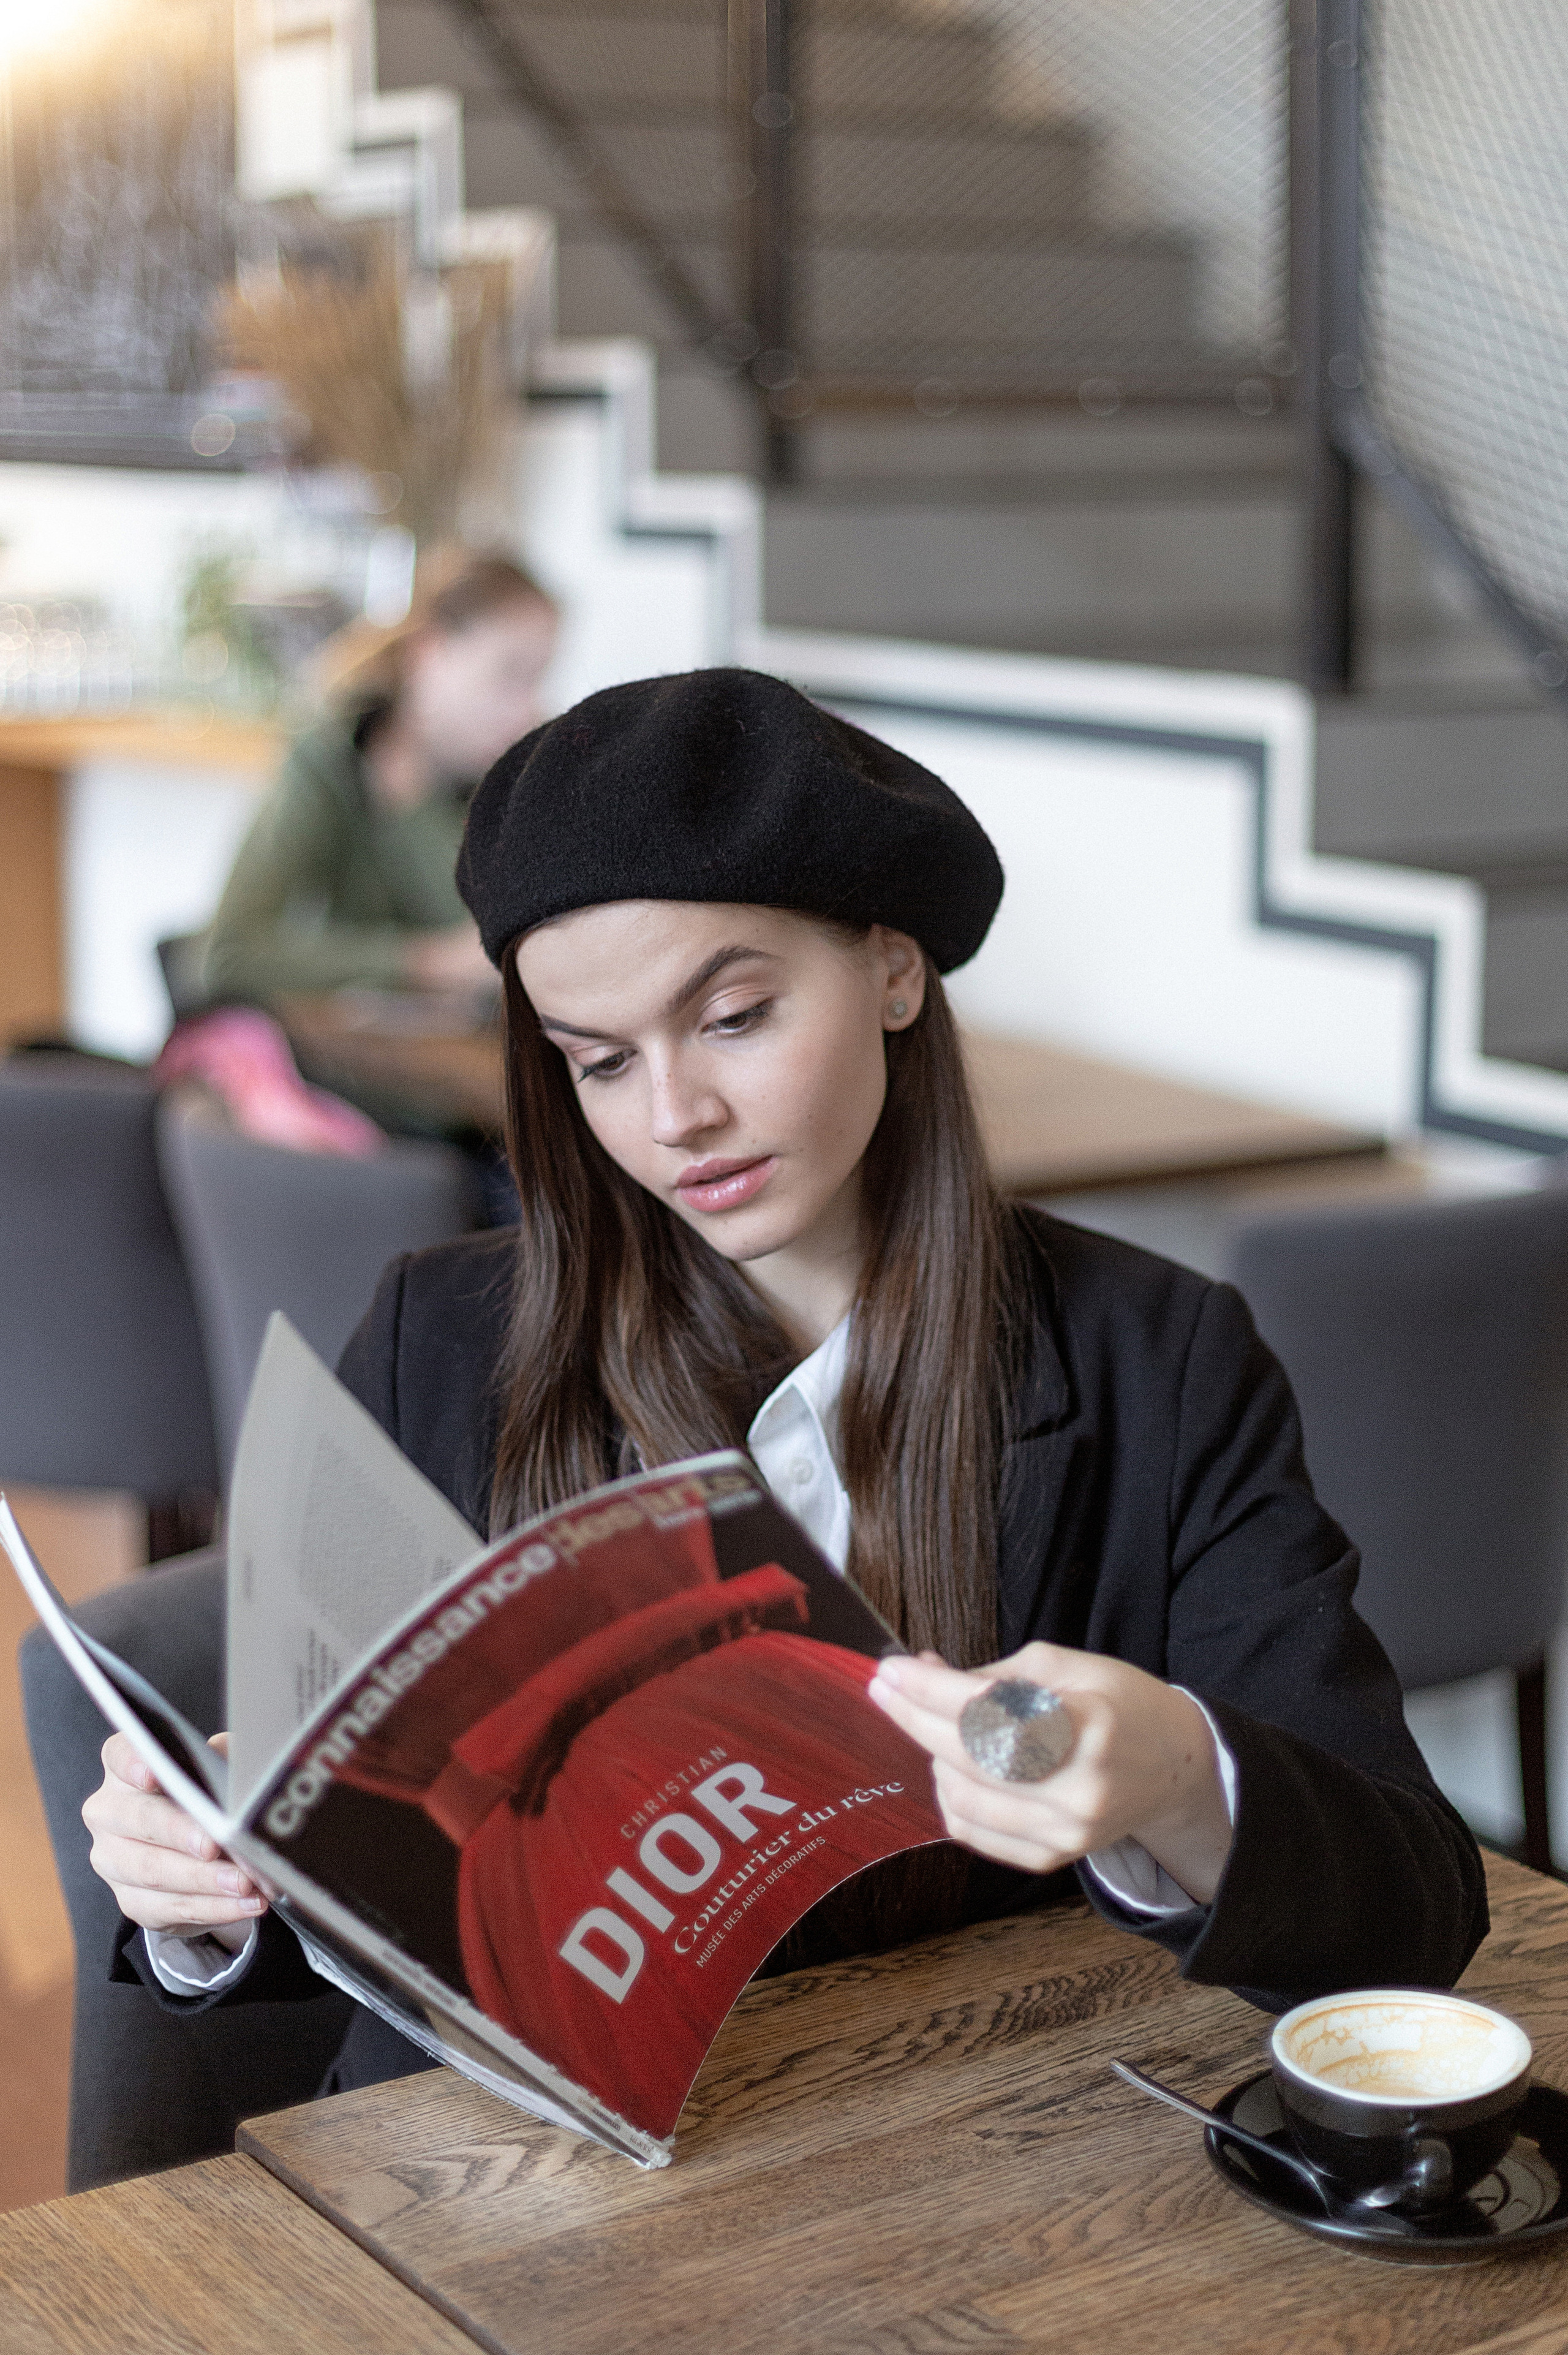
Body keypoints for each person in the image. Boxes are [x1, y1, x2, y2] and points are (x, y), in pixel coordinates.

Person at [42, 666, 1485, 2188]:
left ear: (890, 969)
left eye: (731, 1017)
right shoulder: (442, 1341)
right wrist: (207, 1888)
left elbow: (1411, 1916)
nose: (674, 1116)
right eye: (597, 1061)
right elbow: (354, 1911)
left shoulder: (1155, 1360)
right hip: (518, 2205)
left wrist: (1179, 1780)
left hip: (958, 2179)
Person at [201, 548, 559, 1005]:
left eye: (538, 680)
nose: (530, 709)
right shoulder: (330, 760)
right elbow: (229, 957)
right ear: (429, 656)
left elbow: (499, 950)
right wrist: (425, 964)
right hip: (344, 1063)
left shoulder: (511, 778)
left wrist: (410, 804)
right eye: (511, 676)